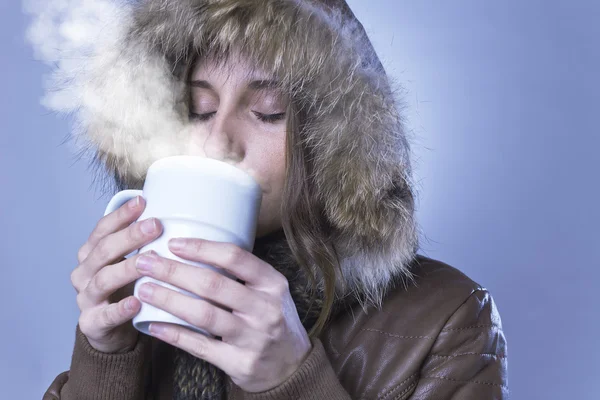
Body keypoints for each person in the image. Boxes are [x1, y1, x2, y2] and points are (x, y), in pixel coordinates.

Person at [43, 0, 508, 399]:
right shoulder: (150, 301)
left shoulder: (449, 321)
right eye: (199, 110)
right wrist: (105, 358)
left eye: (268, 113)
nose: (218, 142)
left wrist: (289, 379)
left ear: (333, 143)